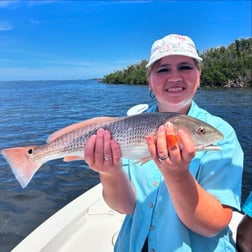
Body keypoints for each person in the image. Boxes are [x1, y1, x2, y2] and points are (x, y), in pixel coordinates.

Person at [84, 34, 244, 251]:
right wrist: (109, 172)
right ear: (149, 80)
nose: (175, 77)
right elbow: (127, 207)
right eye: (163, 69)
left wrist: (178, 176)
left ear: (199, 76)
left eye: (186, 67)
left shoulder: (222, 134)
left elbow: (213, 225)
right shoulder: (132, 125)